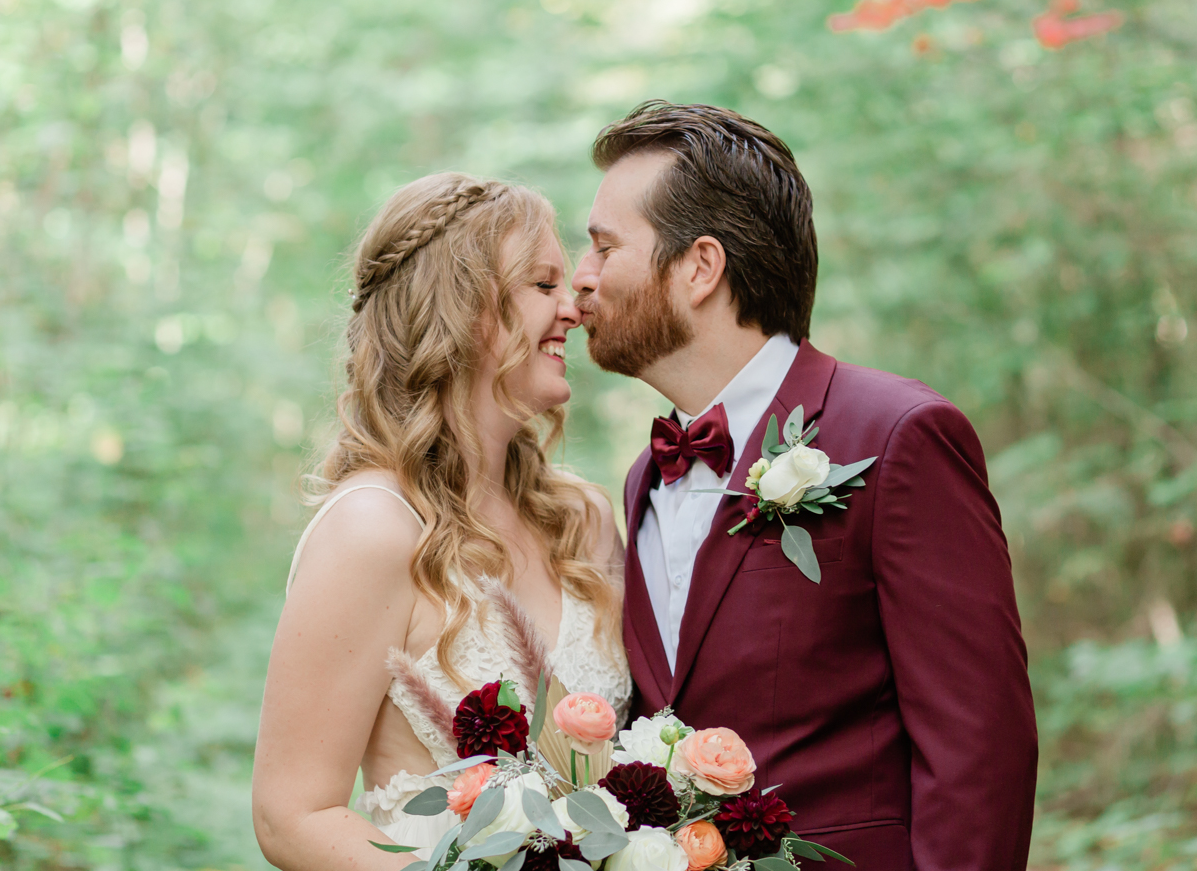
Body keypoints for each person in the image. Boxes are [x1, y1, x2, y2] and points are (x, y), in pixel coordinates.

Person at [571, 101, 1038, 871]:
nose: (580, 280)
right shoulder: (644, 478)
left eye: (603, 247)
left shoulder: (897, 436)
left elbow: (980, 746)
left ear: (699, 268)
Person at [252, 173, 631, 869]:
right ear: (464, 310)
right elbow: (291, 816)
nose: (573, 307)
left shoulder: (585, 521)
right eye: (542, 285)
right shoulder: (372, 530)